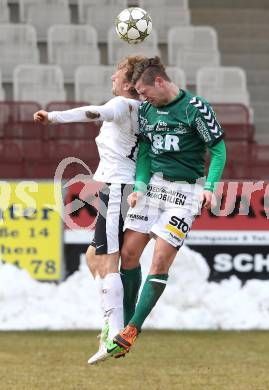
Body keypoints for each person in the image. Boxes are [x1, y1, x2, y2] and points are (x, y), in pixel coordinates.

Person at [33, 55, 146, 363]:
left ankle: (115, 334)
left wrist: (53, 117)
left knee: (108, 260)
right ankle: (113, 323)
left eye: (117, 74)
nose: (111, 77)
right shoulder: (144, 110)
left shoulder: (122, 105)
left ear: (127, 85)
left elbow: (95, 112)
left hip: (118, 187)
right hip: (119, 186)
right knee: (93, 256)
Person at [113, 57, 226, 355]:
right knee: (127, 253)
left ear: (160, 82)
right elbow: (147, 150)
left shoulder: (195, 109)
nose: (141, 97)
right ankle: (123, 321)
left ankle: (131, 329)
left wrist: (210, 188)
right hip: (153, 189)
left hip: (185, 194)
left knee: (160, 261)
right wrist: (139, 186)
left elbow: (218, 150)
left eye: (143, 91)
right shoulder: (147, 111)